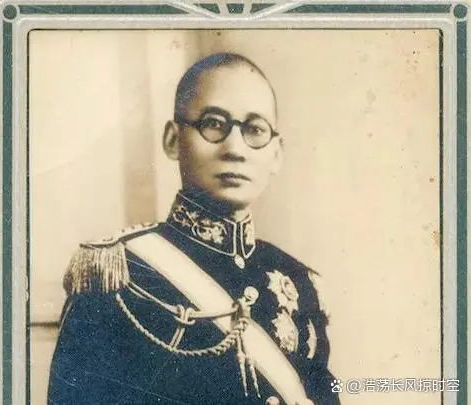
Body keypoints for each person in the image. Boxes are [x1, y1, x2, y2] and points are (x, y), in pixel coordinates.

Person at [47, 52, 340, 405]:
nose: (235, 148)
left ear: (276, 153)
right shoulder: (120, 272)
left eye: (255, 130)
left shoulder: (301, 283)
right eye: (213, 124)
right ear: (173, 140)